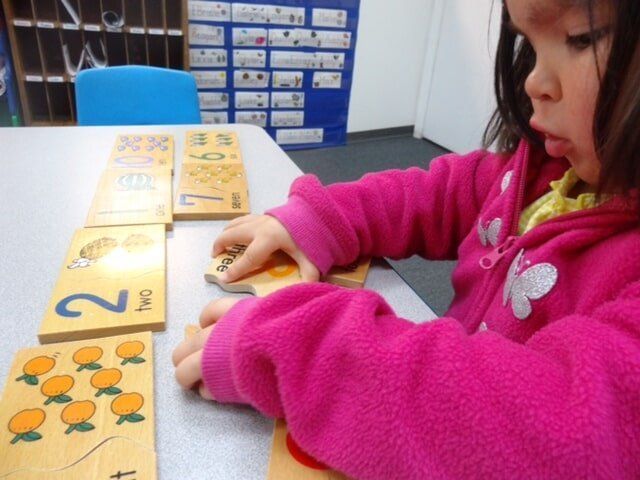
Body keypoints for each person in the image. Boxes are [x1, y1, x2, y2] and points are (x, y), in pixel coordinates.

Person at [173, 0, 640, 477]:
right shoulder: (546, 168)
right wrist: (320, 218)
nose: (534, 83)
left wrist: (306, 353)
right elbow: (433, 194)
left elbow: (559, 433)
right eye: (528, 44)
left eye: (581, 38)